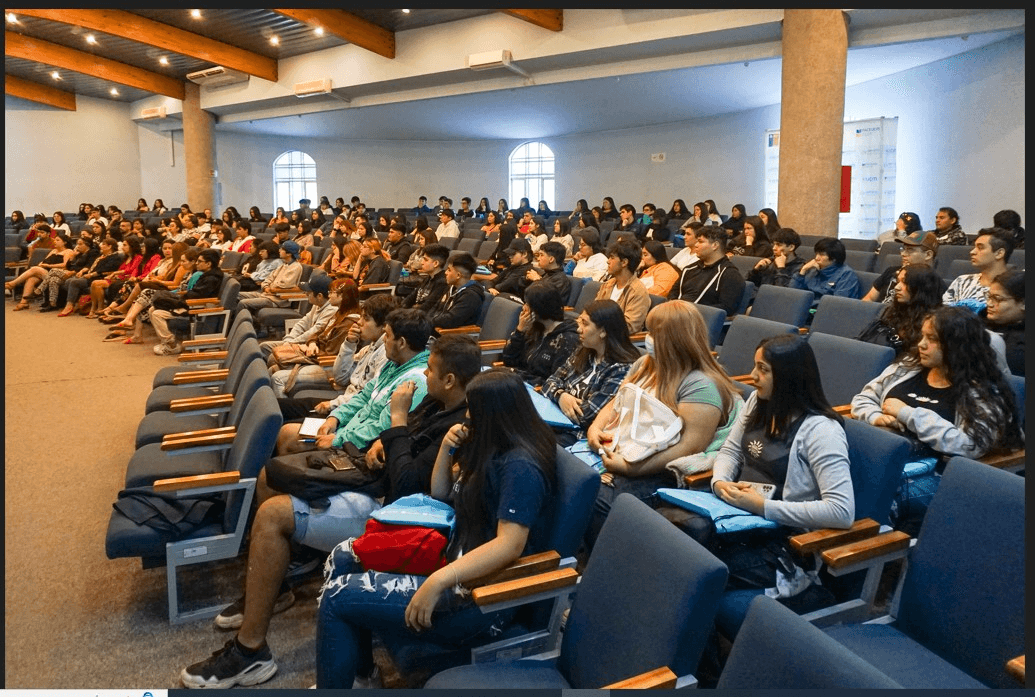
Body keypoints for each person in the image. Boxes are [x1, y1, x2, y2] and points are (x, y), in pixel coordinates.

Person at [179, 333, 474, 693]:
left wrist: (396, 423)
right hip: (371, 478)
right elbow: (401, 440)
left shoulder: (457, 425)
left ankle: (250, 650)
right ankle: (278, 584)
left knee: (273, 515)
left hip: (397, 515)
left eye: (430, 370)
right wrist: (384, 440)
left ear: (449, 380)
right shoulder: (434, 402)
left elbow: (408, 489)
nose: (424, 375)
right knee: (273, 476)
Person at [314, 368, 557, 689]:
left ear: (492, 415)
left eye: (473, 412)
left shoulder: (520, 467)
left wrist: (439, 580)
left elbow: (509, 545)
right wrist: (446, 448)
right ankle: (361, 675)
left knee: (337, 598)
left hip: (480, 596)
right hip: (454, 556)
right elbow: (442, 493)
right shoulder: (490, 445)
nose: (467, 417)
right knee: (345, 558)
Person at [584, 300, 743, 550]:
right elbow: (617, 401)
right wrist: (595, 429)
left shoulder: (701, 385)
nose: (647, 339)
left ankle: (601, 563)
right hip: (628, 449)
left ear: (676, 339)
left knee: (599, 500)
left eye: (654, 333)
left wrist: (632, 469)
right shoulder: (645, 364)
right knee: (571, 479)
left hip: (664, 471)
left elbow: (690, 446)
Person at [851, 305, 1022, 462]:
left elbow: (969, 445)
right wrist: (875, 416)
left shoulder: (982, 391)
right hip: (881, 454)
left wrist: (907, 414)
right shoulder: (908, 366)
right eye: (923, 336)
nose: (921, 344)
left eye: (932, 339)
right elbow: (863, 399)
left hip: (930, 471)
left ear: (957, 345)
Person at [275, 294, 396, 429]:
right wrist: (349, 344)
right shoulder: (369, 348)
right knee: (279, 406)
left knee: (286, 428)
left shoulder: (386, 355)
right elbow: (341, 378)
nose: (359, 322)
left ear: (384, 326)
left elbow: (369, 398)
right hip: (342, 403)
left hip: (349, 413)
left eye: (365, 319)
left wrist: (333, 404)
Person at [541, 299, 640, 445]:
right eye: (580, 322)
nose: (578, 329)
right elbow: (550, 381)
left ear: (603, 331)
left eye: (585, 324)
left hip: (577, 437)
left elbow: (585, 417)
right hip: (553, 423)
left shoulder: (622, 369)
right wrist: (561, 396)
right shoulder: (584, 351)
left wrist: (556, 396)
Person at [268, 278, 362, 397]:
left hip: (328, 366)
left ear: (342, 296)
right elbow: (317, 333)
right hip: (318, 356)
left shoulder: (348, 323)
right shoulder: (339, 313)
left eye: (332, 292)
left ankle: (286, 407)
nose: (329, 295)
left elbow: (330, 353)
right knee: (273, 365)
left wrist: (306, 349)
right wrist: (312, 343)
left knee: (277, 377)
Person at [501, 282, 580, 388]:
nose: (524, 307)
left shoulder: (567, 339)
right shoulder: (534, 328)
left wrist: (517, 374)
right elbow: (508, 359)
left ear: (539, 308)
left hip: (536, 390)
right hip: (519, 382)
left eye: (527, 304)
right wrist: (519, 331)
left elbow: (554, 381)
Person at [857, 265, 943, 359]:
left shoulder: (932, 322)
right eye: (898, 281)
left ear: (920, 287)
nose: (896, 287)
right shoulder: (892, 311)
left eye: (905, 282)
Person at [150, 248, 225, 355]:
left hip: (196, 311)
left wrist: (179, 300)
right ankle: (167, 342)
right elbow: (194, 293)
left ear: (208, 264)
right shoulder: (207, 275)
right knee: (153, 308)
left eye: (200, 261)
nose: (197, 263)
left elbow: (197, 296)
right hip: (191, 305)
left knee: (157, 314)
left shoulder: (211, 279)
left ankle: (171, 345)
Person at [669, 225, 747, 317]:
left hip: (700, 319)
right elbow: (673, 293)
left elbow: (726, 308)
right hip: (677, 315)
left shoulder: (730, 274)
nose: (696, 245)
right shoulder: (689, 269)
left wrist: (688, 310)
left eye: (700, 242)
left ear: (715, 245)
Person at [259, 274, 339, 362]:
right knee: (264, 347)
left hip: (310, 347)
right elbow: (303, 323)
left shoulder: (332, 310)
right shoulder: (317, 304)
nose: (306, 294)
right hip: (302, 342)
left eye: (309, 292)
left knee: (269, 353)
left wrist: (291, 342)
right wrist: (289, 339)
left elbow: (314, 332)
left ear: (319, 296)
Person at [942, 227, 1014, 308]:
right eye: (974, 247)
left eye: (980, 248)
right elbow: (944, 311)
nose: (972, 252)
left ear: (999, 253)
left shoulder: (1014, 287)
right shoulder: (962, 281)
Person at [862, 230, 941, 303]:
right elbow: (869, 298)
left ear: (928, 255)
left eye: (910, 250)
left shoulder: (933, 284)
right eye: (903, 249)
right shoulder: (891, 271)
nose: (903, 254)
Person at [594, 238, 651, 334]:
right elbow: (593, 311)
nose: (608, 261)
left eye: (612, 258)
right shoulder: (607, 284)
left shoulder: (638, 292)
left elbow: (628, 326)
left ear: (624, 262)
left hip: (615, 339)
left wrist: (598, 326)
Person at [7, 232, 76, 310]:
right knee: (31, 279)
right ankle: (24, 303)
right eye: (55, 240)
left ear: (65, 242)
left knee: (34, 269)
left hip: (57, 274)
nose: (55, 242)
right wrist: (41, 264)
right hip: (46, 272)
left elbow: (64, 265)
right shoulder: (54, 251)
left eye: (57, 240)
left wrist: (47, 266)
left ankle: (13, 283)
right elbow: (44, 261)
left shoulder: (68, 251)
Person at [236, 241, 305, 316]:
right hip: (266, 294)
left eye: (282, 249)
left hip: (277, 300)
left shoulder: (296, 267)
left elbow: (284, 285)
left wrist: (270, 288)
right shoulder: (284, 265)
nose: (279, 250)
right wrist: (266, 287)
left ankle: (240, 322)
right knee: (236, 294)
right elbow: (268, 279)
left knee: (243, 303)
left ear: (289, 253)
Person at [57, 237, 122, 317]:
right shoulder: (102, 256)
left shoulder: (114, 257)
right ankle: (77, 303)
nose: (101, 246)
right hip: (91, 276)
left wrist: (91, 274)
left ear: (110, 246)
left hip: (100, 277)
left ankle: (69, 305)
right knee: (68, 281)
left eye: (103, 244)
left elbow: (106, 269)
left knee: (74, 282)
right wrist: (84, 272)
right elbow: (90, 266)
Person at [789, 237, 862, 303]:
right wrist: (803, 270)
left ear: (834, 258)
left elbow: (838, 303)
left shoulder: (846, 275)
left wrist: (808, 304)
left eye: (822, 255)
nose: (816, 258)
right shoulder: (812, 270)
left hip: (825, 310)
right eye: (816, 254)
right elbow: (793, 294)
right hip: (807, 308)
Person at [36, 236, 98, 312]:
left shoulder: (92, 253)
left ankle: (40, 288)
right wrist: (74, 256)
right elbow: (68, 266)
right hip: (69, 272)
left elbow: (89, 266)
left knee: (53, 270)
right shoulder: (78, 254)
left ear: (87, 245)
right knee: (53, 280)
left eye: (80, 244)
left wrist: (77, 271)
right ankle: (52, 304)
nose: (78, 246)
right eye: (77, 244)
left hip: (79, 274)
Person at [981, 269, 1024, 376]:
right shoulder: (979, 320)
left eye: (997, 299)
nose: (989, 304)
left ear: (1023, 304)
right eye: (989, 297)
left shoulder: (1021, 346)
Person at [428, 252, 485, 329]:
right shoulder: (451, 287)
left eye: (449, 270)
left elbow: (451, 319)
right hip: (434, 327)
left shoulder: (470, 296)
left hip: (450, 333)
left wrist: (426, 322)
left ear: (458, 275)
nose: (445, 273)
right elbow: (435, 307)